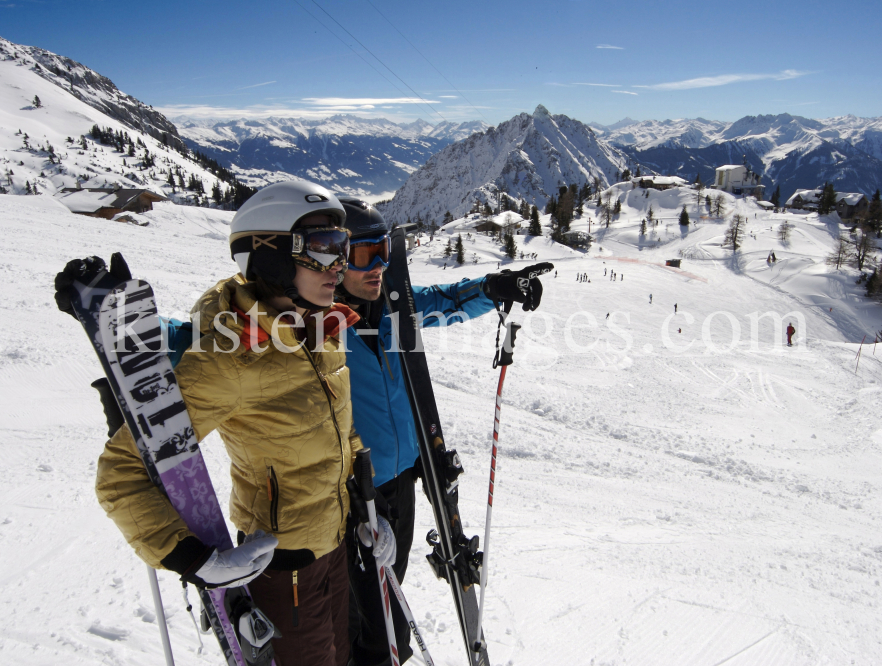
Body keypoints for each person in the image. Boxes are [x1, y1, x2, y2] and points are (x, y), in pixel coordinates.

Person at [75, 180, 384, 666]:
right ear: (273, 255)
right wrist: (194, 561)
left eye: (342, 249)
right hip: (282, 570)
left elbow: (339, 430)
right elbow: (120, 476)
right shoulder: (230, 359)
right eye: (323, 249)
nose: (339, 266)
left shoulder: (321, 329)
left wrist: (366, 505)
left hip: (337, 545)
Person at [335, 198, 550, 666]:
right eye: (362, 255)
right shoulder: (317, 330)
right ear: (334, 260)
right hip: (354, 496)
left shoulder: (392, 311)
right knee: (368, 628)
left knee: (387, 609)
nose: (378, 268)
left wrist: (495, 286)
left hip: (404, 483)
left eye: (383, 253)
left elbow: (443, 302)